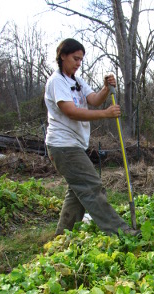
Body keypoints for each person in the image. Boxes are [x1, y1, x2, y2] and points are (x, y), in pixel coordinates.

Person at [44, 38, 139, 237]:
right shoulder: (57, 81)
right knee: (92, 187)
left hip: (74, 145)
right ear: (62, 56)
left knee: (78, 192)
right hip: (63, 145)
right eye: (75, 58)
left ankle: (63, 236)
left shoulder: (77, 81)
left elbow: (94, 99)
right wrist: (106, 114)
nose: (78, 63)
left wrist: (106, 88)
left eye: (81, 60)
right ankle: (121, 232)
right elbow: (71, 111)